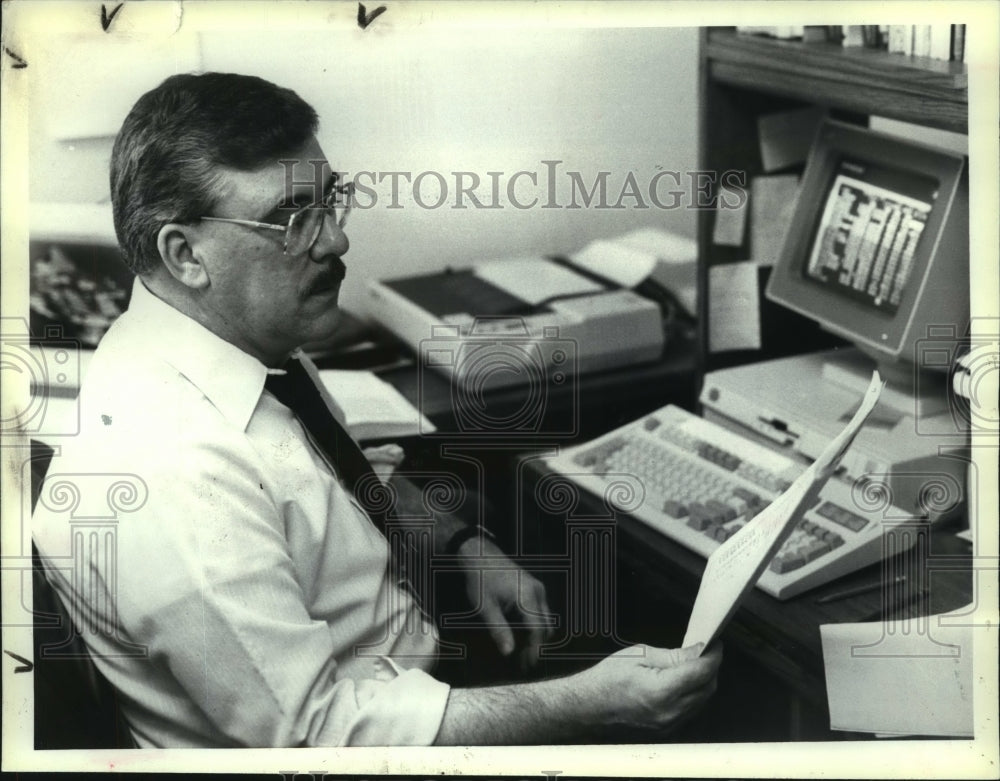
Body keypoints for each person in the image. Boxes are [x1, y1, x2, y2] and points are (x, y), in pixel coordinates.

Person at [31, 72, 721, 747]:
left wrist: (460, 542)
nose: (335, 240)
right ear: (185, 254)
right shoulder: (173, 473)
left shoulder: (233, 345)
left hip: (414, 663)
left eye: (331, 201)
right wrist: (593, 705)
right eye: (292, 218)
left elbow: (336, 481)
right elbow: (321, 735)